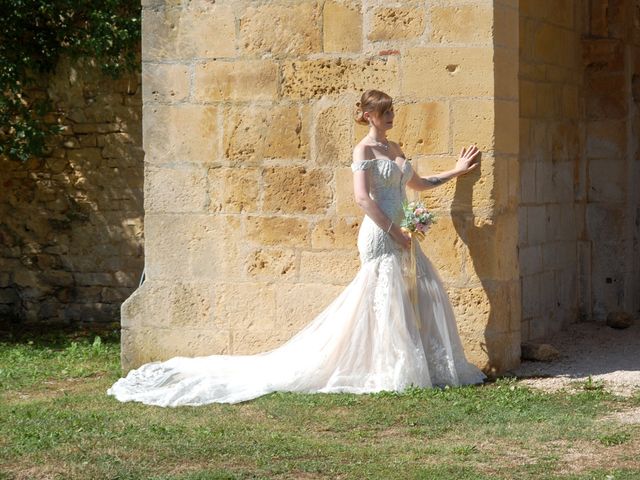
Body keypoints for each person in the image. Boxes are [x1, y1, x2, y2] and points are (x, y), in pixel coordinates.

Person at [107, 89, 486, 407]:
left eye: (391, 112)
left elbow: (416, 183)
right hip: (379, 233)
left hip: (402, 232)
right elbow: (362, 200)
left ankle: (414, 365)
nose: (391, 117)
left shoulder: (395, 147)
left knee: (420, 293)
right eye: (385, 112)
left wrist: (456, 170)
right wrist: (393, 231)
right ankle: (392, 369)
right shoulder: (363, 152)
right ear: (368, 115)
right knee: (384, 299)